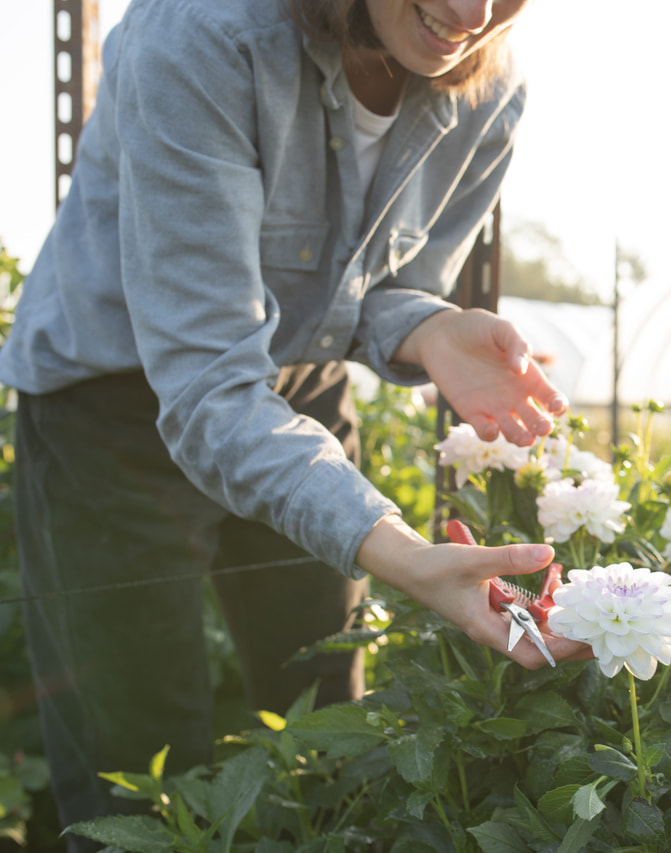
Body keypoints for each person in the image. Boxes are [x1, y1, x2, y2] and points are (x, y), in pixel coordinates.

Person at [0, 0, 589, 845]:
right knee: (136, 766)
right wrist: (407, 556)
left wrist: (426, 325)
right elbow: (207, 380)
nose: (473, 13)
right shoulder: (199, 39)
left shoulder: (486, 90)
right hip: (109, 409)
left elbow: (368, 292)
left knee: (323, 715)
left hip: (293, 386)